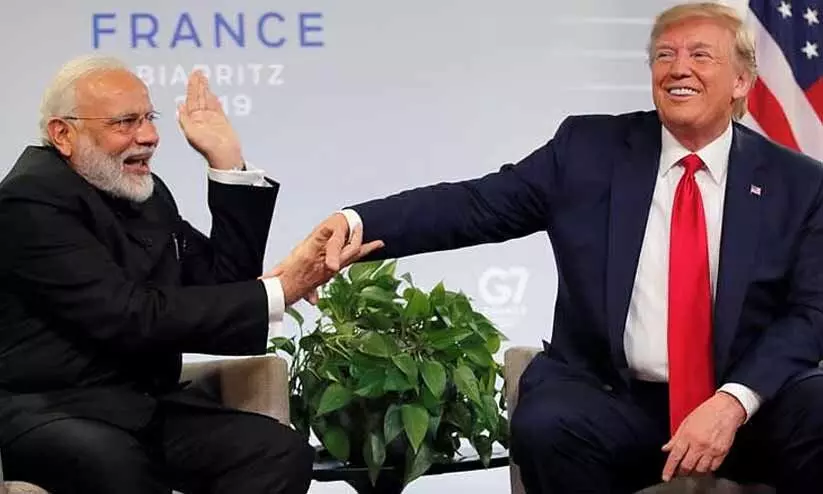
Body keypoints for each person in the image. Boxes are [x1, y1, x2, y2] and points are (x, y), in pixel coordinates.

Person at [289, 3, 823, 492]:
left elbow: (811, 313)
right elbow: (473, 205)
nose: (678, 68)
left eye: (700, 55)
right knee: (548, 424)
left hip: (747, 405)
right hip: (616, 402)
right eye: (665, 55)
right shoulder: (588, 151)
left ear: (741, 81)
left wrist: (733, 402)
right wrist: (355, 222)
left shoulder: (799, 184)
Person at [0, 55, 380, 493]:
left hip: (141, 407)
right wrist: (280, 290)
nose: (149, 136)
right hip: (49, 409)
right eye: (125, 122)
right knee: (115, 463)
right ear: (63, 134)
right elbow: (129, 316)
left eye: (149, 118)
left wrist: (226, 163)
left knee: (278, 453)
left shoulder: (141, 190)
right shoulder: (30, 201)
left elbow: (222, 284)